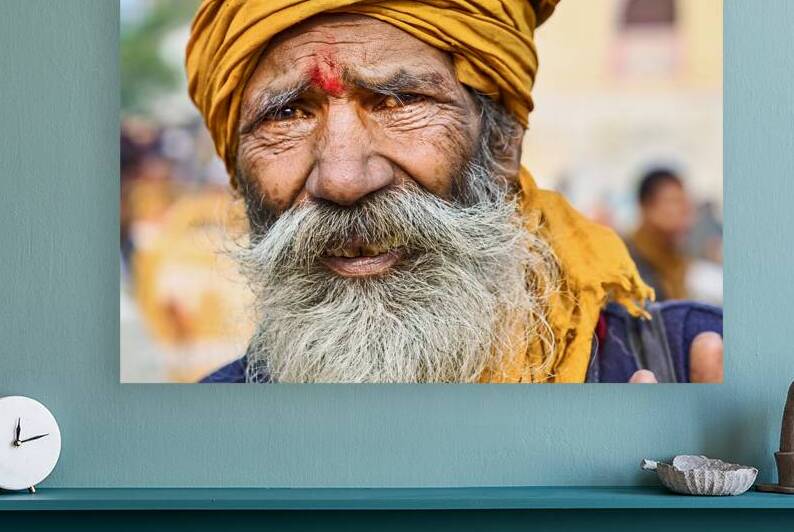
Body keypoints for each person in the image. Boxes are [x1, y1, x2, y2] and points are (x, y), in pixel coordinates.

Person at [185, 0, 722, 383]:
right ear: (239, 172)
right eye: (287, 114)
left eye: (399, 101)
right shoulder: (204, 440)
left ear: (504, 145)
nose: (344, 180)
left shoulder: (701, 369)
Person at [627, 168, 694, 301]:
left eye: (684, 201)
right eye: (673, 201)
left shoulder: (676, 260)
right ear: (646, 207)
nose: (684, 209)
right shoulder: (627, 259)